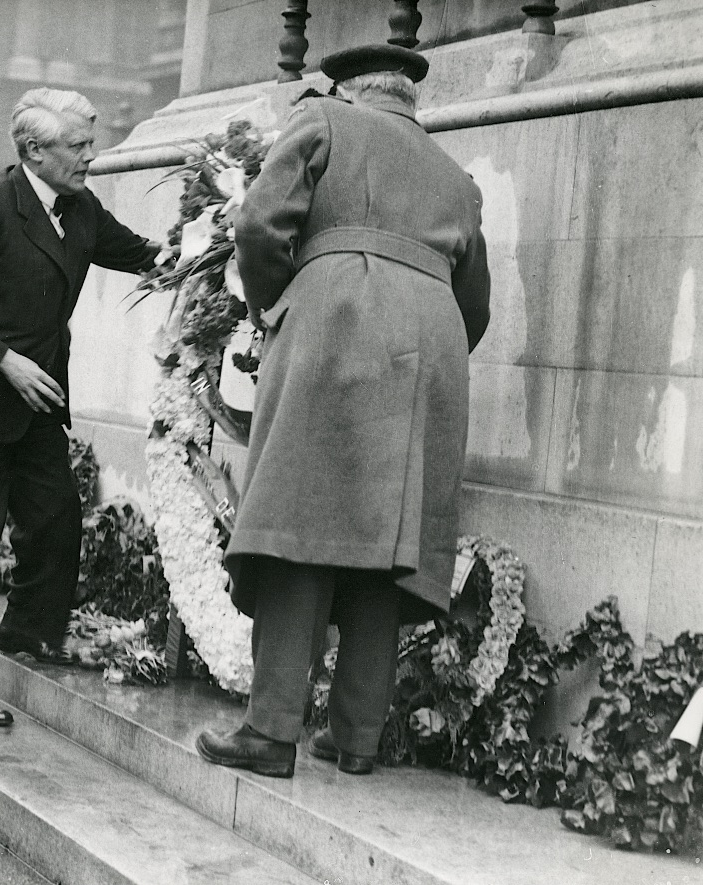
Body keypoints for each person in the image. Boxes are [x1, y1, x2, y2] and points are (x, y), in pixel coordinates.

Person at [196, 45, 491, 777]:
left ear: (353, 89)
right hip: (433, 351)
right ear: (407, 100)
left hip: (336, 323)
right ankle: (356, 737)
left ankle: (270, 732)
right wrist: (425, 351)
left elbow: (260, 224)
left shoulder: (324, 119)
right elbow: (475, 302)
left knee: (298, 526)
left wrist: (279, 310)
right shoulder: (458, 179)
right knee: (384, 549)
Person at [0, 87, 159, 726]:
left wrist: (215, 250)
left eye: (89, 143)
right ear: (33, 151)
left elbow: (140, 255)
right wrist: (3, 360)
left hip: (34, 407)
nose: (90, 157)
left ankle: (29, 632)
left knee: (55, 518)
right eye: (77, 147)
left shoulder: (78, 209)